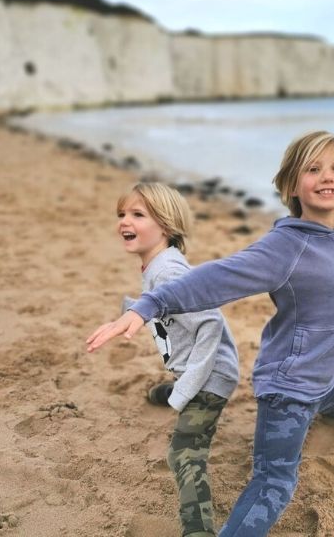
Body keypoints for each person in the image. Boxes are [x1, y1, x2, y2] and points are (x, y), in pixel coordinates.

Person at [86, 131, 334, 536]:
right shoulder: (284, 248)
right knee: (274, 481)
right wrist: (149, 306)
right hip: (290, 385)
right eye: (313, 169)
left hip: (327, 373)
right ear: (290, 184)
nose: (327, 177)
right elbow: (215, 278)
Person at [89, 182, 240, 537]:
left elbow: (209, 323)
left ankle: (198, 531)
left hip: (210, 375)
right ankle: (170, 389)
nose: (125, 221)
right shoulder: (157, 265)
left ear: (167, 227)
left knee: (184, 453)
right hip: (193, 367)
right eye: (122, 214)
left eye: (138, 215)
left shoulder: (168, 271)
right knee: (173, 390)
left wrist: (187, 387)